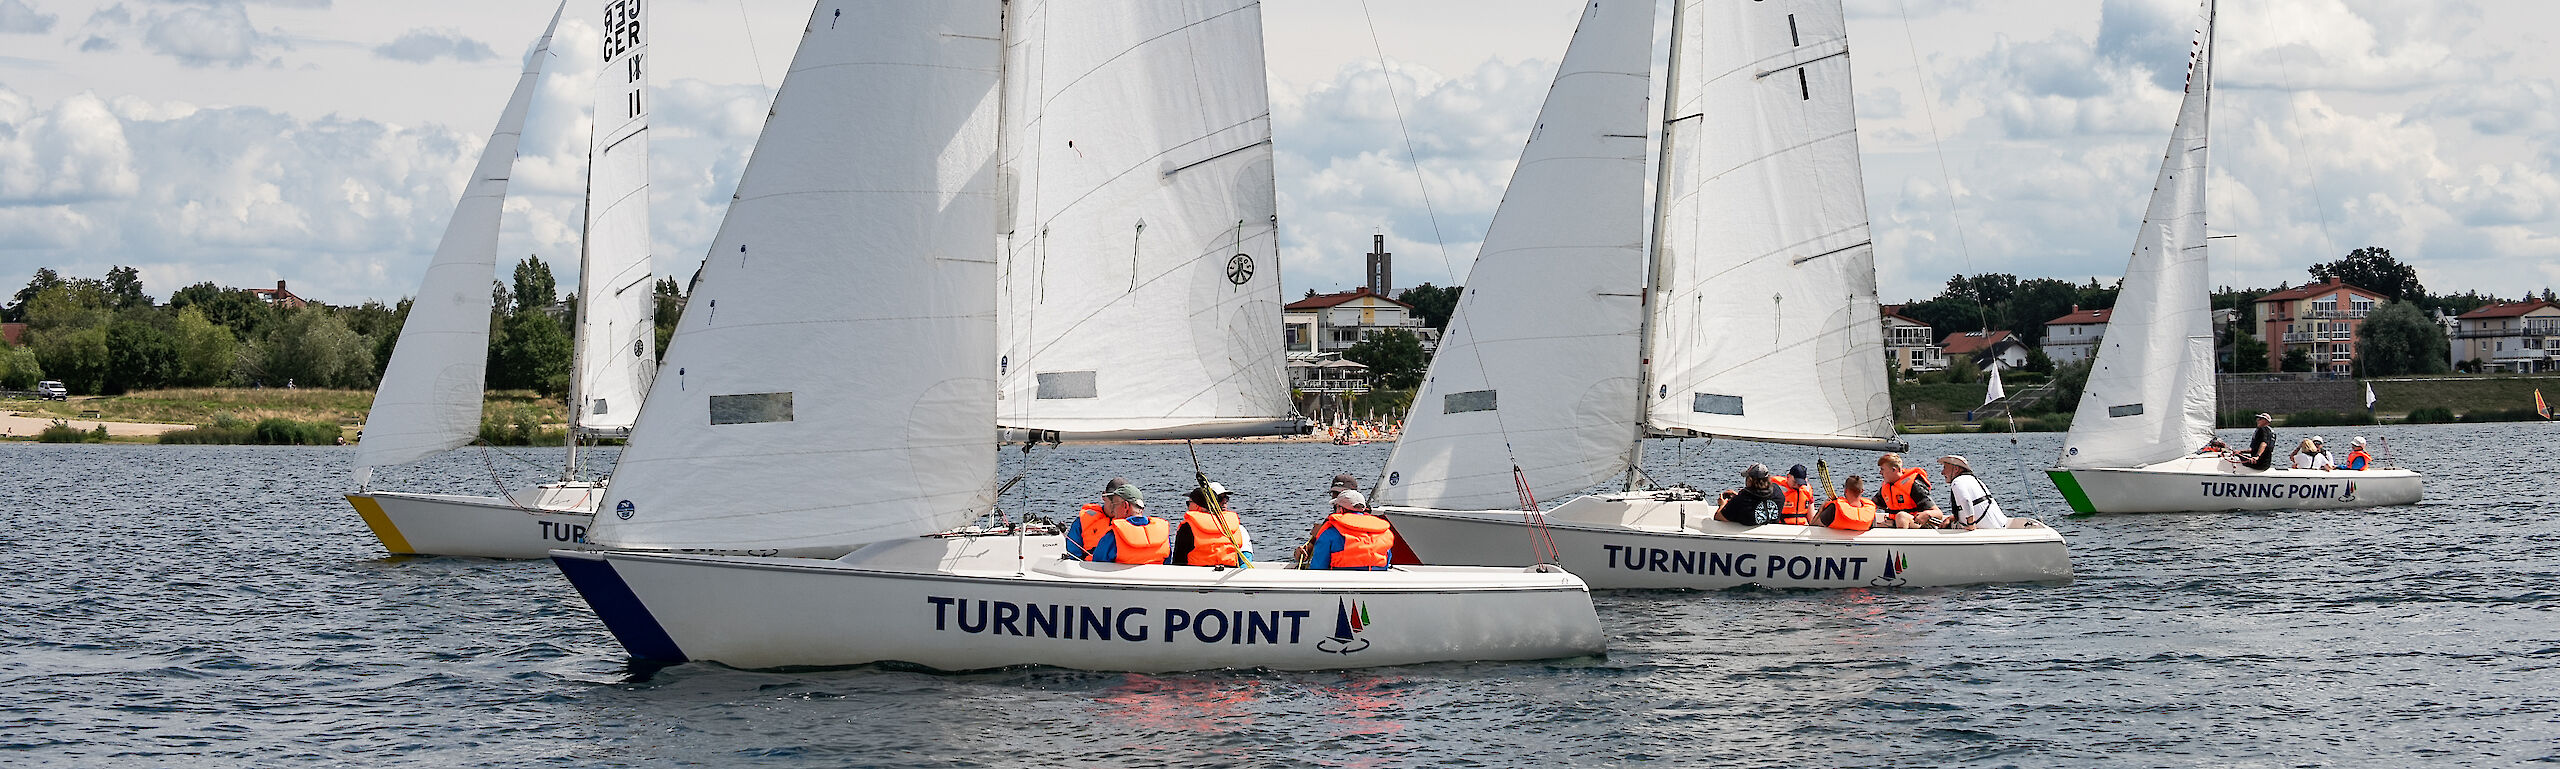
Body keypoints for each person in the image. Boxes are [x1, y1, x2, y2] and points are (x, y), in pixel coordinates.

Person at [1304, 490, 1394, 571]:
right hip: (1376, 583)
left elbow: (1318, 568)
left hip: (1340, 584)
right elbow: (1386, 562)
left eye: (1335, 508)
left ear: (1340, 509)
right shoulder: (1384, 533)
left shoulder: (1330, 533)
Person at [1172, 482, 1253, 567]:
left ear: (1198, 506)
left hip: (1196, 574)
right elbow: (1245, 561)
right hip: (1227, 573)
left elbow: (1178, 561)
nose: (1224, 502)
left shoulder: (1188, 527)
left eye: (1189, 503)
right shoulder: (1234, 525)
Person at [1937, 455, 2012, 530]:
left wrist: (1971, 524)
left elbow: (1965, 500)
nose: (1942, 472)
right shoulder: (1973, 479)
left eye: (1945, 468)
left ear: (1956, 469)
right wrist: (1952, 518)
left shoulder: (1957, 482)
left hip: (1989, 531)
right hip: (2001, 526)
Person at [1874, 453, 1943, 528]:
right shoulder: (1887, 486)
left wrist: (1927, 514)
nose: (1880, 473)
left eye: (1882, 469)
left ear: (1894, 470)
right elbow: (1873, 504)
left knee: (1901, 516)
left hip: (1920, 526)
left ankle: (1901, 538)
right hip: (1896, 523)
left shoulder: (1914, 485)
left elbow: (1938, 514)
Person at [1712, 464, 1789, 525]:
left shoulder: (1742, 500)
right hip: (1771, 530)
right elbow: (1760, 499)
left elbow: (1719, 517)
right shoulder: (1778, 493)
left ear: (1750, 480)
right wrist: (1737, 496)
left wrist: (1722, 504)